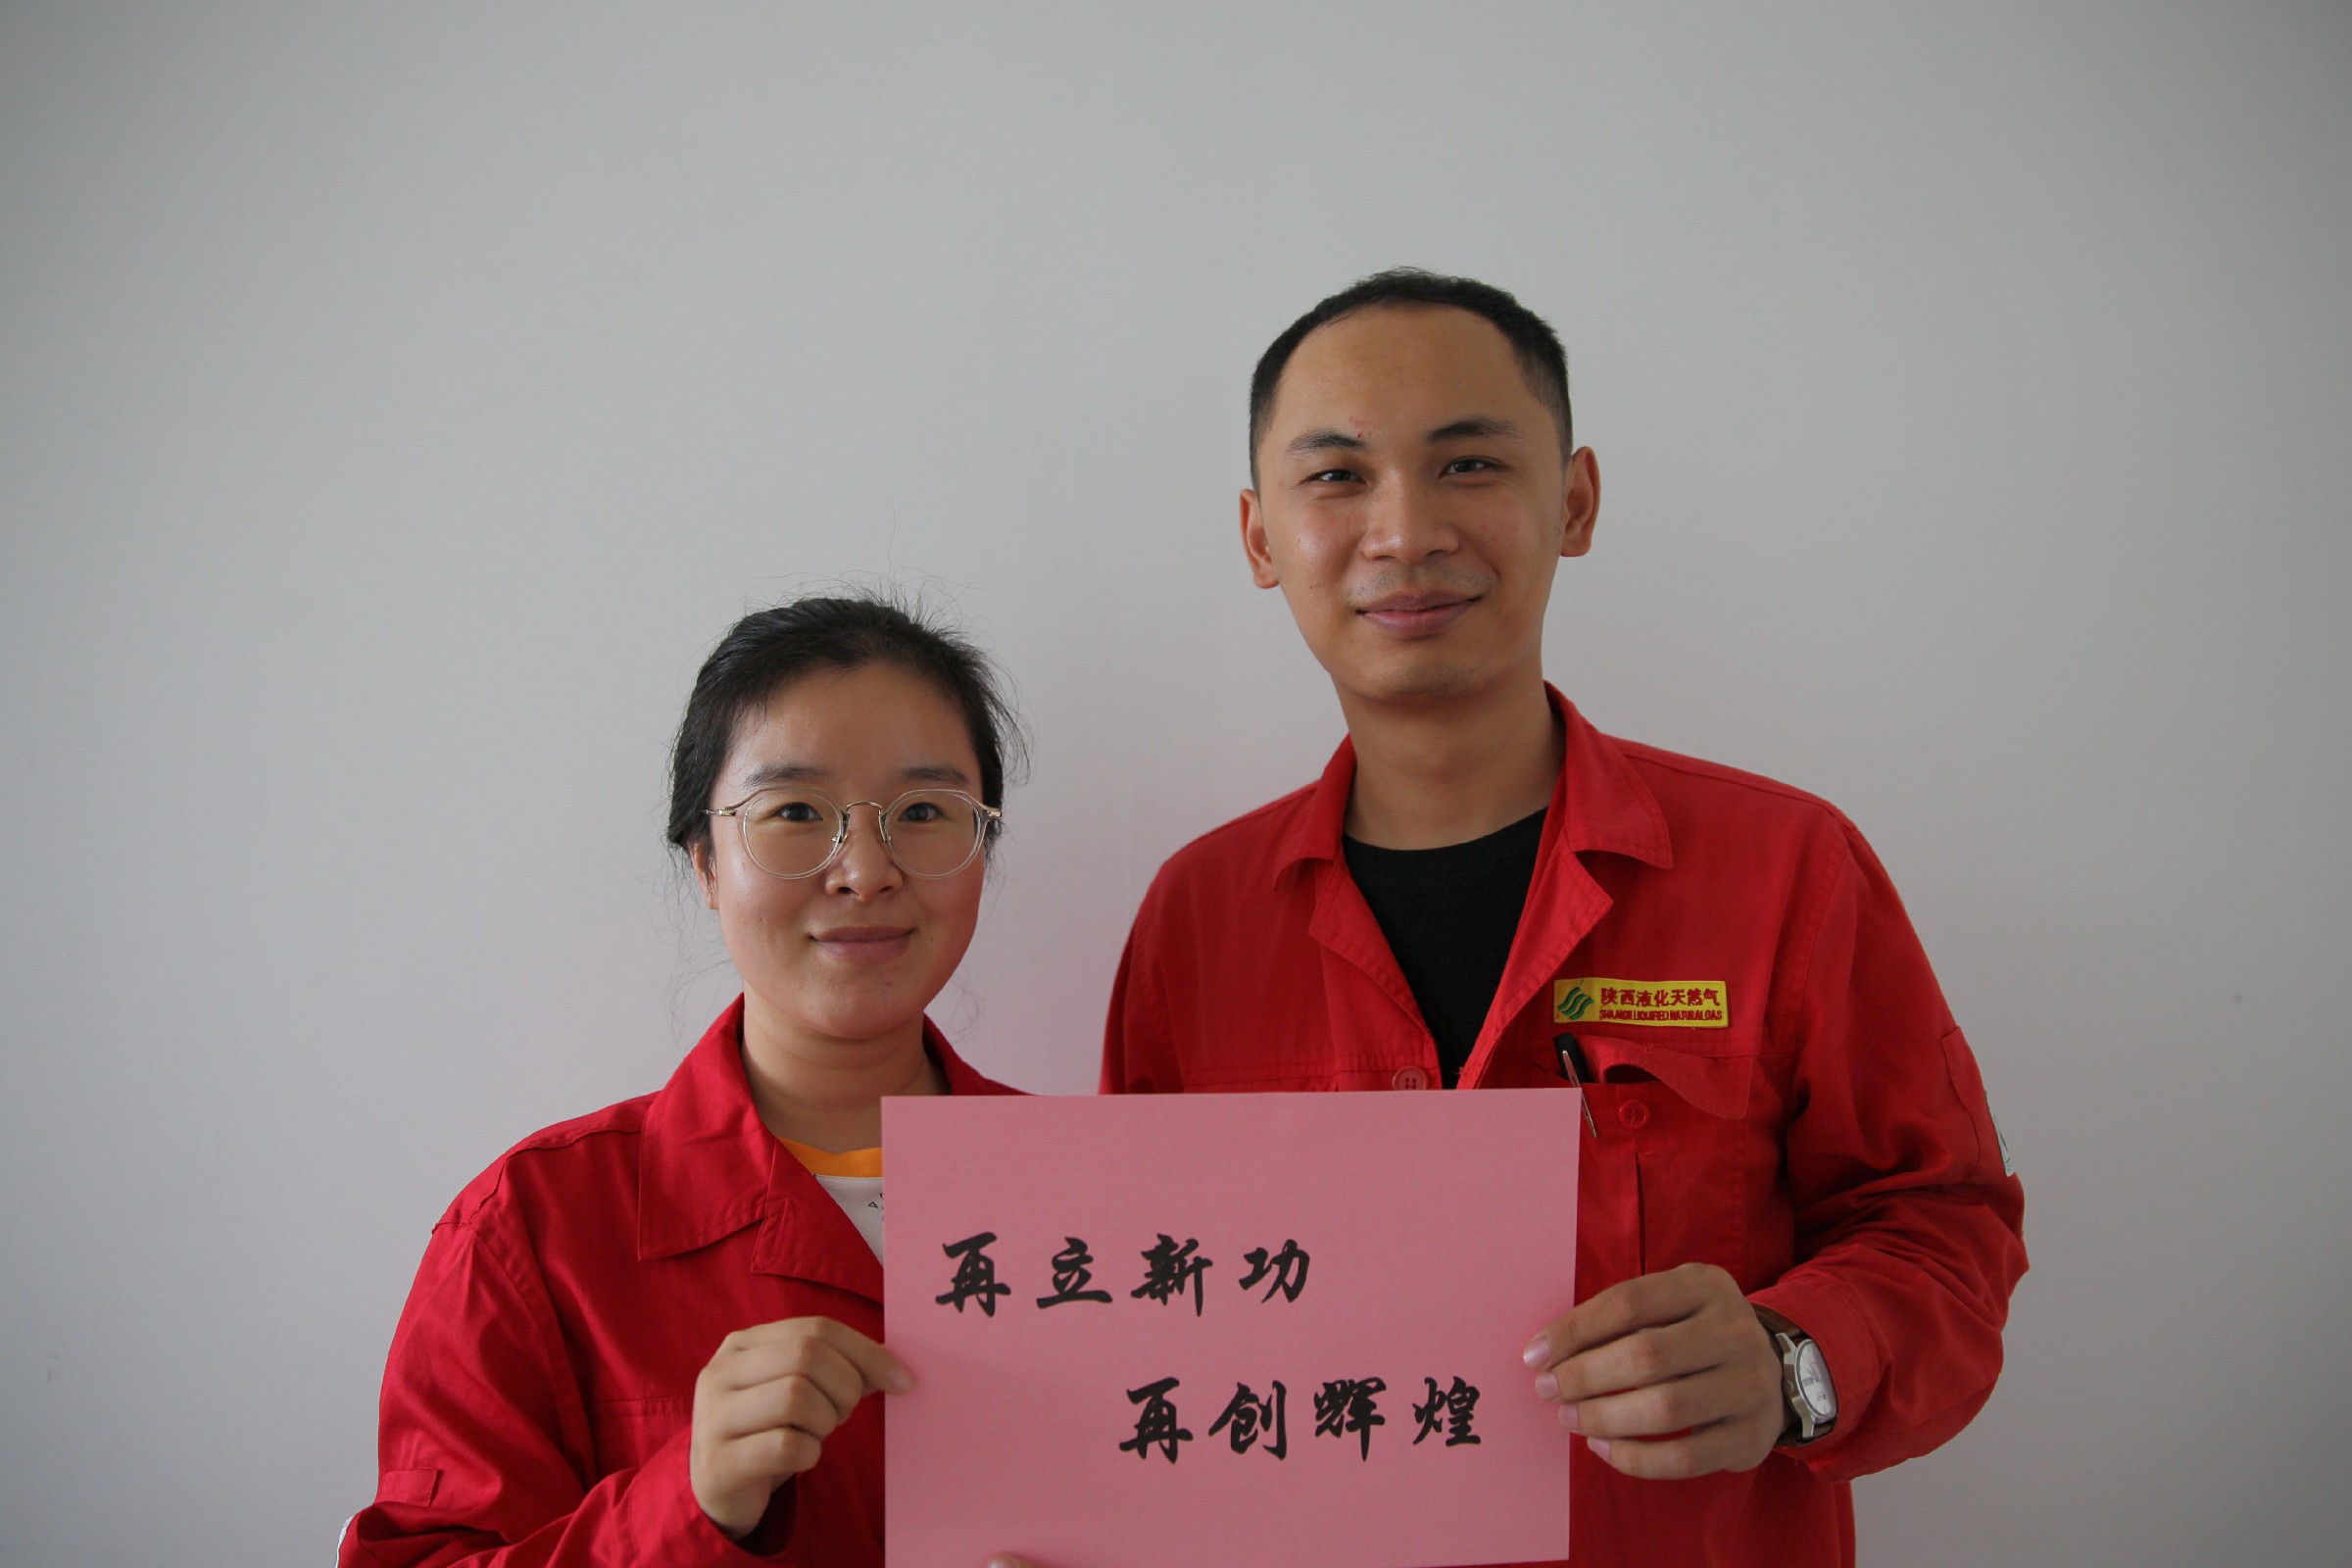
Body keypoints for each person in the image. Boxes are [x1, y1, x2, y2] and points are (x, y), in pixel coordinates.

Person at [1095, 270, 2028, 1567]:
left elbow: (1944, 1223)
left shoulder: (1786, 870)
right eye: (1339, 477)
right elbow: (1147, 1306)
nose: (1405, 531)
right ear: (1261, 538)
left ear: (1575, 501)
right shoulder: (1196, 921)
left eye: (1469, 464)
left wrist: (1792, 1358)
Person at [341, 595, 1025, 1568]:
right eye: (796, 812)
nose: (865, 871)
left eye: (923, 812)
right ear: (705, 860)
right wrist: (689, 1503)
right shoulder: (531, 1229)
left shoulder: (1106, 1194)